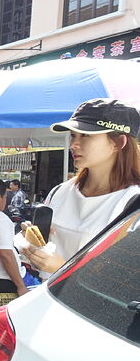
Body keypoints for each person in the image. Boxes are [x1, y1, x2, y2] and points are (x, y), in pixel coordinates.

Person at [21, 98, 140, 275]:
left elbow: (126, 283)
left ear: (118, 143)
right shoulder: (59, 192)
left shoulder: (133, 204)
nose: (73, 144)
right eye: (73, 135)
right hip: (45, 297)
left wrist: (62, 269)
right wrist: (34, 245)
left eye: (85, 135)